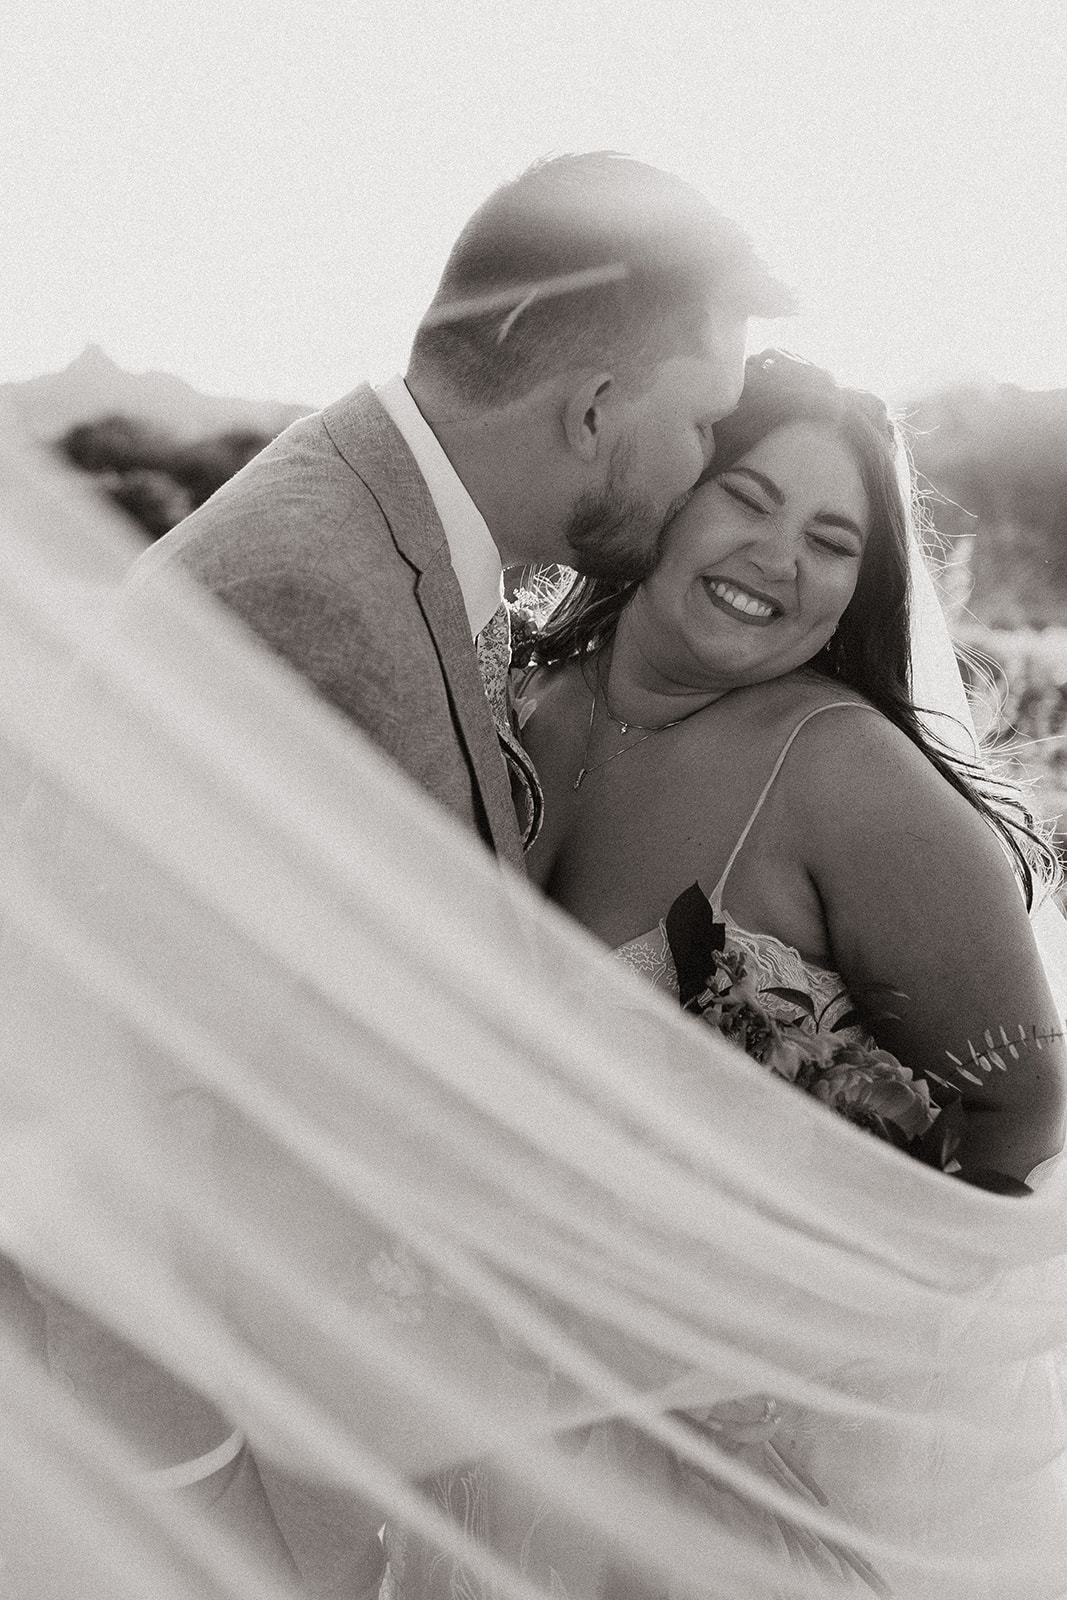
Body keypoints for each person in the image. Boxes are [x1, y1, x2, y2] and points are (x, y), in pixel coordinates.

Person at [379, 351, 1067, 1599]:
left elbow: (1017, 1106)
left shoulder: (847, 782)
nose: (777, 559)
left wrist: (778, 1317)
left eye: (828, 538)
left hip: (730, 1477)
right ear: (668, 493)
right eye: (745, 499)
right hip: (481, 1403)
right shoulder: (514, 701)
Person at [134, 151, 790, 869]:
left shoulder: (385, 523)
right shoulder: (310, 600)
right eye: (700, 423)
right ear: (593, 412)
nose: (704, 464)